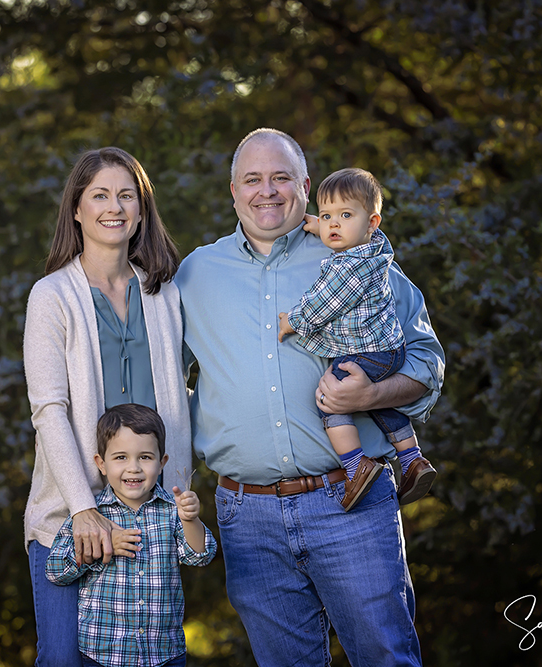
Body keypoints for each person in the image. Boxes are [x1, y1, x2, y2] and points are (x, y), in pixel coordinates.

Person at [175, 128, 445, 666]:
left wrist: (371, 391)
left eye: (281, 178)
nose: (267, 191)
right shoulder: (195, 274)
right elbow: (162, 378)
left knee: (385, 657)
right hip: (245, 514)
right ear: (233, 191)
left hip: (350, 500)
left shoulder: (358, 260)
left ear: (305, 186)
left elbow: (426, 363)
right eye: (253, 179)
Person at [23, 147, 192, 666]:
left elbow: (189, 389)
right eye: (100, 195)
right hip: (69, 522)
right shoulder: (52, 295)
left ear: (142, 210)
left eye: (126, 195)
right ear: (76, 209)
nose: (114, 206)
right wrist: (84, 511)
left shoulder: (165, 293)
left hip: (151, 517)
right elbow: (49, 409)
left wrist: (184, 488)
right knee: (64, 660)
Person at [277, 167, 437, 511]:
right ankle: (412, 458)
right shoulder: (374, 250)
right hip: (388, 350)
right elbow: (347, 232)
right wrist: (328, 226)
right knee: (380, 404)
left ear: (372, 222)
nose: (333, 224)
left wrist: (293, 321)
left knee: (329, 399)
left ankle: (356, 466)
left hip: (368, 352)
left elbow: (324, 305)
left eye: (345, 216)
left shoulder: (346, 268)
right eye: (326, 216)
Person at [46, 404, 216, 667]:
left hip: (163, 653)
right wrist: (103, 546)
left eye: (145, 457)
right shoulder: (91, 516)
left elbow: (199, 557)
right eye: (121, 457)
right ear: (101, 464)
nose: (134, 468)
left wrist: (191, 519)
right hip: (103, 654)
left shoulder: (172, 511)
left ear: (162, 463)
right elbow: (55, 570)